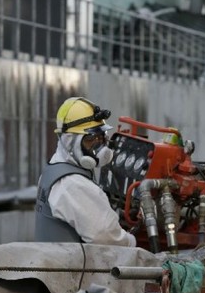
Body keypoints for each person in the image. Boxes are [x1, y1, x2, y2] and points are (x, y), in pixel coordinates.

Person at [35, 97, 136, 247]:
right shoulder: (73, 184)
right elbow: (108, 238)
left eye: (101, 138)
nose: (100, 147)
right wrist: (133, 241)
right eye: (91, 139)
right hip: (75, 268)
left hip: (59, 264)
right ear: (69, 141)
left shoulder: (53, 169)